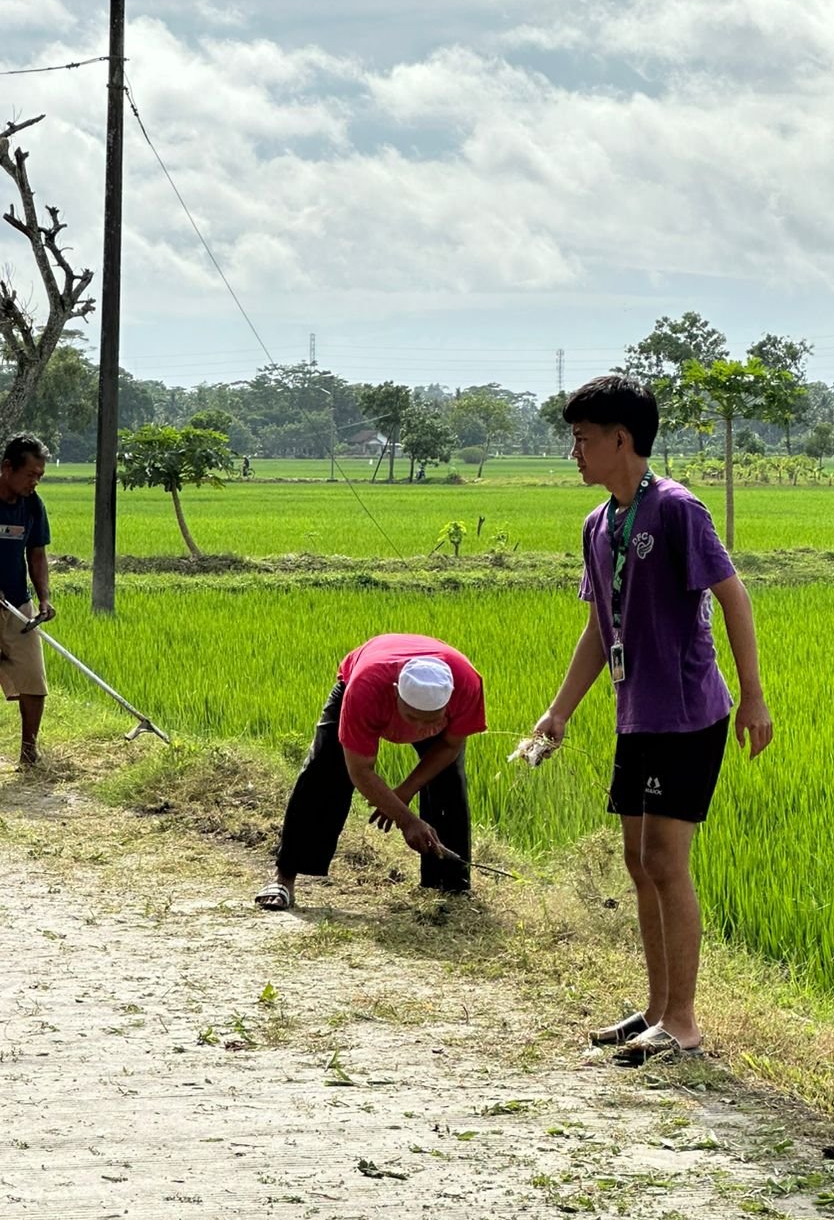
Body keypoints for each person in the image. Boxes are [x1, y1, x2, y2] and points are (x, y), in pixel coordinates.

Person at [534, 375, 772, 1064]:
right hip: (635, 713)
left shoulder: (677, 510)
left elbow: (734, 598)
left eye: (582, 439)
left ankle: (686, 1023)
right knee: (639, 863)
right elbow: (597, 625)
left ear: (621, 439)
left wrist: (752, 695)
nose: (574, 453)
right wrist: (559, 711)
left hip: (688, 713)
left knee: (666, 861)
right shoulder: (599, 524)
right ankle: (657, 1009)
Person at [255, 635, 486, 910]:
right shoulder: (366, 689)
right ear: (395, 691)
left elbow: (449, 745)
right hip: (366, 673)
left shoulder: (467, 685)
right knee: (324, 770)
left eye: (432, 721)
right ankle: (284, 877)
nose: (421, 730)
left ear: (448, 703)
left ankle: (450, 890)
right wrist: (408, 820)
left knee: (448, 782)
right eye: (412, 718)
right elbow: (360, 770)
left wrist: (402, 795)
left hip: (426, 687)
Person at [0, 434, 55, 767]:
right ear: (7, 467)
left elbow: (36, 555)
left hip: (18, 606)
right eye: (30, 474)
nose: (35, 481)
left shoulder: (32, 505)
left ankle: (29, 753)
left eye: (40, 476)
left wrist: (44, 598)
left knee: (34, 680)